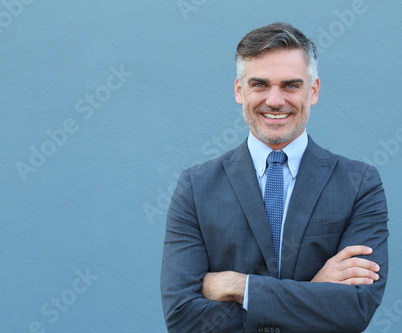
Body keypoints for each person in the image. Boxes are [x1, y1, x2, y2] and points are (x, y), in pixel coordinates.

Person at [160, 22, 389, 333]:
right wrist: (314, 290)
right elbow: (183, 318)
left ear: (314, 90)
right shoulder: (196, 187)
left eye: (291, 85)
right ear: (239, 90)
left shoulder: (359, 184)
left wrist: (238, 286)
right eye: (260, 85)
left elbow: (355, 309)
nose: (275, 100)